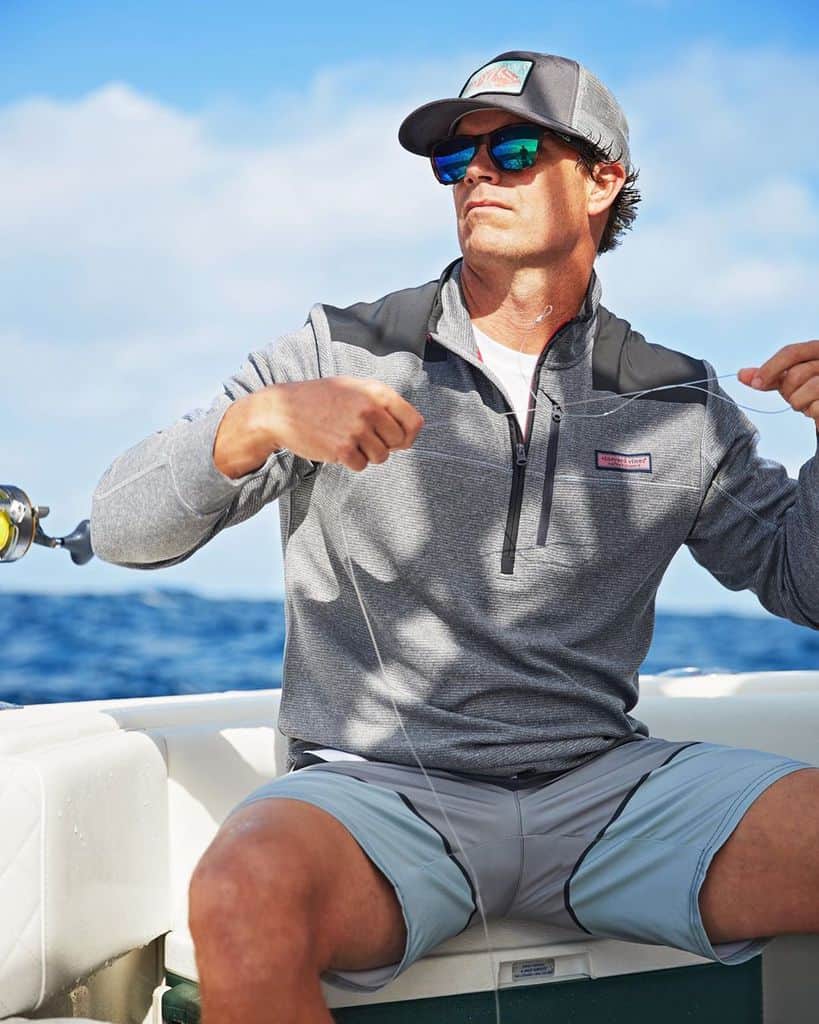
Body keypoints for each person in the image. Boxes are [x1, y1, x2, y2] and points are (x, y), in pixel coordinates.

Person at [90, 50, 819, 1024]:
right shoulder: (333, 353)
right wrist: (253, 423)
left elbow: (801, 581)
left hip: (603, 791)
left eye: (513, 150)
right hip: (378, 798)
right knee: (242, 891)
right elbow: (121, 530)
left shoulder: (677, 400)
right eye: (455, 160)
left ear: (605, 180)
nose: (476, 174)